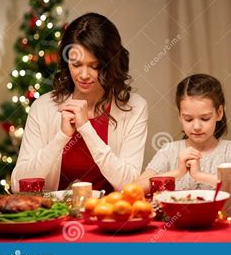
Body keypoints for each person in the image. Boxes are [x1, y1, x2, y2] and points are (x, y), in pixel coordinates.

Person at [11, 13, 148, 193]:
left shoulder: (134, 108)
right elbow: (19, 185)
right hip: (56, 215)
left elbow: (129, 185)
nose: (83, 75)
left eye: (95, 66)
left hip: (109, 215)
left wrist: (86, 128)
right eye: (76, 64)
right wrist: (61, 137)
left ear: (110, 64)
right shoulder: (43, 107)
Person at [135, 74, 231, 192]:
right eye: (188, 119)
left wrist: (199, 176)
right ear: (180, 116)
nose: (196, 127)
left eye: (205, 118)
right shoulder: (169, 150)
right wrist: (178, 172)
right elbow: (134, 188)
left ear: (219, 113)